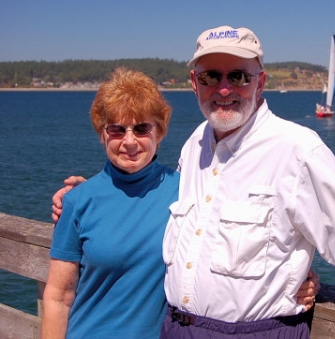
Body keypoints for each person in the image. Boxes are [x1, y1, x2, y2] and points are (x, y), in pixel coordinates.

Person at [53, 25, 335, 339]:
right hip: (175, 329)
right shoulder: (195, 146)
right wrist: (85, 193)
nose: (225, 88)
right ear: (195, 83)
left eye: (239, 76)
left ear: (260, 81)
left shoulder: (297, 150)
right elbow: (159, 203)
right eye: (212, 76)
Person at [44, 67, 319, 339]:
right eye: (117, 130)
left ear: (160, 133)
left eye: (141, 128)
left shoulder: (188, 189)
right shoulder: (78, 201)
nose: (129, 141)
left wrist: (300, 277)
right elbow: (59, 296)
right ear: (102, 134)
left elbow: (249, 236)